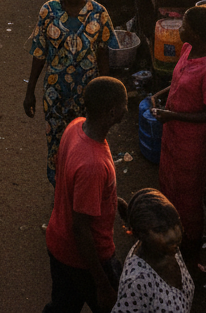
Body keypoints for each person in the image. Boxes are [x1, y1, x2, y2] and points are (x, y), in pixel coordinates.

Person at [24, 0, 118, 183]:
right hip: (55, 93)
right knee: (57, 143)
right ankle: (60, 189)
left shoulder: (99, 14)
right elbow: (39, 53)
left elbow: (103, 54)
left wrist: (107, 95)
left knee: (86, 146)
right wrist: (30, 92)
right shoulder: (48, 11)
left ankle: (80, 187)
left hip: (88, 95)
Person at [43, 75, 128, 313]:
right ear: (111, 113)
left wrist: (112, 200)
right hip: (83, 257)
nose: (126, 109)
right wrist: (101, 284)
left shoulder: (76, 126)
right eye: (123, 105)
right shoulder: (93, 164)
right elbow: (81, 229)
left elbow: (74, 186)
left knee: (62, 305)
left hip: (58, 243)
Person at [150, 6, 206, 270]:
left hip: (191, 145)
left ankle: (191, 256)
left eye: (184, 26)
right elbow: (179, 79)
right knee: (169, 187)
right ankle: (169, 239)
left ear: (198, 33)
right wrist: (161, 94)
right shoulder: (187, 50)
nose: (179, 30)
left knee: (189, 199)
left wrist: (173, 115)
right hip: (173, 137)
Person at [111, 189, 194, 313]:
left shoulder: (169, 249)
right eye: (161, 230)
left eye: (175, 223)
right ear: (140, 234)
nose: (174, 235)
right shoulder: (137, 283)